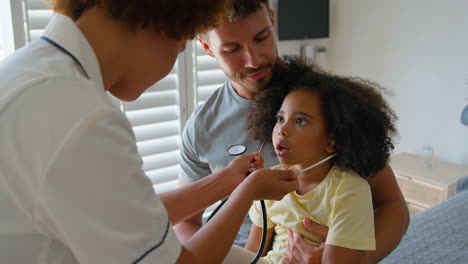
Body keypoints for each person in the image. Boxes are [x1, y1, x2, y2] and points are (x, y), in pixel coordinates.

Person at [0, 1, 299, 263]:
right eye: (180, 45)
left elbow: (126, 214)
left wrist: (227, 180)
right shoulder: (82, 119)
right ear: (161, 26)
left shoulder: (27, 71)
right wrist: (246, 191)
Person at [175, 0, 410, 262]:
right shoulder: (202, 126)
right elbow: (185, 222)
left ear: (272, 20)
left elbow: (391, 204)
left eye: (261, 37)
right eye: (232, 49)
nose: (253, 60)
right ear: (207, 47)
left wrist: (354, 257)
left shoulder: (324, 102)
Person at [236, 60, 397, 264]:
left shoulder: (349, 191)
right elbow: (251, 253)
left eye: (300, 121)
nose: (282, 130)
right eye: (280, 119)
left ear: (332, 140)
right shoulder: (269, 183)